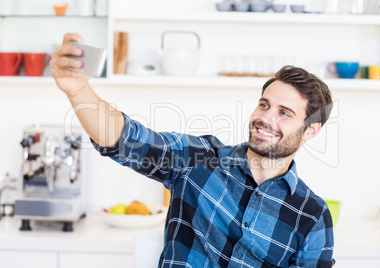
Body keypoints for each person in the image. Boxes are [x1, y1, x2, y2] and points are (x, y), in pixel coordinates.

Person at [51, 33, 335, 268]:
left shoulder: (312, 216)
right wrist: (79, 92)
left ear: (311, 130)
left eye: (284, 112)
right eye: (264, 104)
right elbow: (126, 139)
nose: (265, 118)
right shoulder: (199, 159)